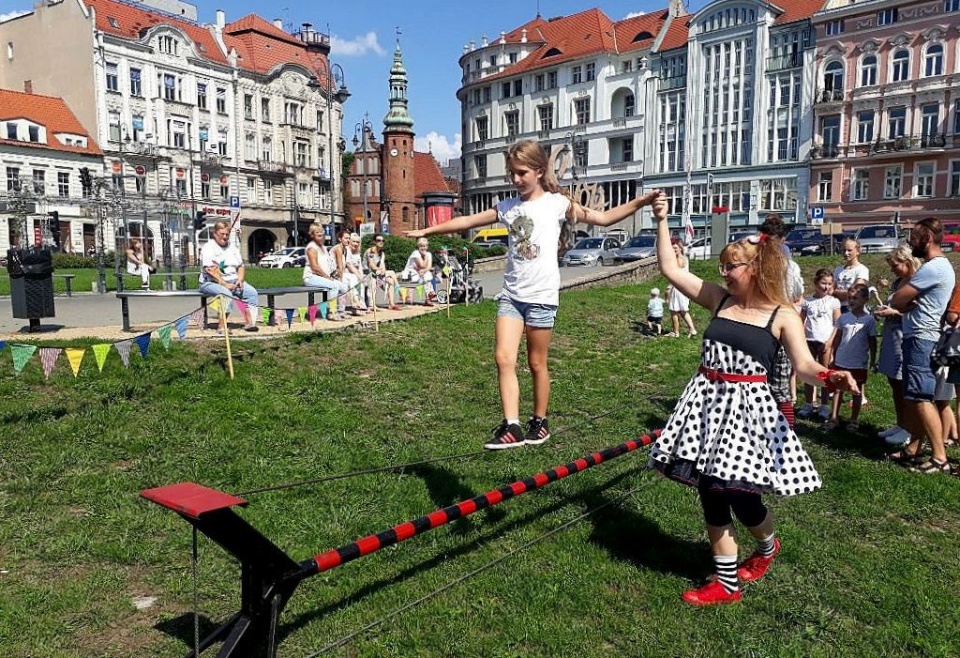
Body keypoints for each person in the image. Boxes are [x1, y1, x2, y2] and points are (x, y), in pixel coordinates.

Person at [648, 194, 858, 607]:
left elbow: (804, 366)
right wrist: (661, 220)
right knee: (710, 488)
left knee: (742, 496)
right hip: (706, 404)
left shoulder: (782, 314)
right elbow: (671, 269)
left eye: (731, 266)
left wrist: (831, 376)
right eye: (722, 266)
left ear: (756, 267)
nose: (723, 272)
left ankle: (766, 547)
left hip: (747, 413)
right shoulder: (720, 300)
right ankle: (727, 582)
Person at [405, 138, 661, 449]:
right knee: (503, 358)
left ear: (539, 171)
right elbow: (467, 220)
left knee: (536, 363)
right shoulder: (508, 208)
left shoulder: (557, 204)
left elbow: (603, 218)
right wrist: (427, 231)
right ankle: (511, 425)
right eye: (512, 173)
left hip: (541, 298)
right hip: (511, 296)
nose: (515, 179)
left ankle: (540, 422)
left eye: (521, 173)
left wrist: (642, 202)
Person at [889, 217, 956, 474]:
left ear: (927, 239)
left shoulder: (933, 268)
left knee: (920, 397)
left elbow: (897, 299)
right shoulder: (938, 267)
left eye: (914, 237)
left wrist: (903, 302)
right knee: (915, 395)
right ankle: (913, 449)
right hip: (920, 336)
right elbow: (902, 302)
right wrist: (905, 303)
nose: (910, 242)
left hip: (921, 337)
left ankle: (940, 457)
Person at [874, 246, 923, 445]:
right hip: (892, 334)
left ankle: (910, 428)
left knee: (904, 383)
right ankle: (900, 423)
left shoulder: (918, 283)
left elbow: (920, 314)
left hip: (906, 334)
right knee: (893, 380)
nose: (892, 269)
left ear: (908, 261)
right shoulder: (898, 282)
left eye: (895, 265)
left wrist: (894, 313)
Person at [759, 213, 804, 426]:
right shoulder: (788, 266)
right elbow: (797, 293)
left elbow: (796, 294)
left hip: (766, 325)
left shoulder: (758, 264)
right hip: (774, 325)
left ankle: (782, 431)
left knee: (768, 382)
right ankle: (779, 429)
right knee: (775, 383)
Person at [824, 284, 876, 431]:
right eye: (850, 298)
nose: (852, 301)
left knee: (856, 391)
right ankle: (833, 417)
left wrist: (872, 359)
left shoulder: (869, 320)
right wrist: (832, 355)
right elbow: (837, 338)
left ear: (865, 300)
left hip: (858, 361)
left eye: (856, 298)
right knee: (837, 390)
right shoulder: (843, 318)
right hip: (842, 359)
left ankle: (854, 419)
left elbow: (872, 342)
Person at [199, 221, 260, 332]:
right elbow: (209, 270)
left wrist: (240, 280)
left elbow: (240, 266)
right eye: (222, 234)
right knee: (226, 294)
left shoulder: (233, 248)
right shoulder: (208, 247)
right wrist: (224, 284)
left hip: (233, 280)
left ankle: (250, 323)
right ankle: (222, 327)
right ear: (215, 234)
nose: (225, 237)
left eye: (227, 234)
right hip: (211, 282)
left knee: (251, 293)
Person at [797, 269, 841, 420]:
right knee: (809, 372)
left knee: (824, 372)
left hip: (825, 341)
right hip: (809, 340)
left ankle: (824, 405)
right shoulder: (807, 302)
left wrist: (830, 342)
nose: (826, 287)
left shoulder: (833, 302)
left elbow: (837, 323)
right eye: (823, 283)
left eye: (829, 284)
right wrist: (800, 338)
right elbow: (800, 320)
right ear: (816, 283)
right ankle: (809, 403)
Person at [303, 223, 347, 321]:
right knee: (334, 286)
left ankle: (341, 311)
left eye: (321, 231)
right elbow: (315, 267)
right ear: (312, 235)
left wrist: (334, 272)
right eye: (316, 232)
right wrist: (327, 277)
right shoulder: (312, 248)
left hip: (322, 276)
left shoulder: (323, 247)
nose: (320, 233)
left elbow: (327, 264)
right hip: (311, 277)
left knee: (344, 287)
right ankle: (332, 312)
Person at [666, 239, 697, 338]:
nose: (673, 250)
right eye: (672, 248)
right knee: (682, 310)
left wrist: (669, 287)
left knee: (674, 310)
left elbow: (675, 275)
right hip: (682, 288)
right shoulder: (683, 258)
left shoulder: (679, 260)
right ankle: (692, 330)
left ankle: (676, 332)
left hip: (679, 288)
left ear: (680, 248)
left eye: (675, 248)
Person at [365, 234, 400, 310]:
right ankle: (372, 305)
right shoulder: (370, 251)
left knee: (390, 281)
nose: (381, 242)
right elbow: (372, 266)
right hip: (368, 274)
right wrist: (381, 270)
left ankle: (391, 304)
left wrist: (383, 271)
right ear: (374, 242)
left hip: (377, 274)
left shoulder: (382, 253)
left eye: (382, 241)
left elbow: (382, 265)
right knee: (391, 273)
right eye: (378, 240)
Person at [400, 238, 436, 306]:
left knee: (427, 275)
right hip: (410, 274)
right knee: (426, 277)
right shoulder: (415, 253)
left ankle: (429, 297)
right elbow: (422, 265)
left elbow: (429, 266)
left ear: (427, 246)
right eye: (421, 246)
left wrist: (424, 271)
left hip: (420, 274)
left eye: (424, 246)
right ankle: (430, 294)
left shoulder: (429, 254)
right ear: (418, 247)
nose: (423, 248)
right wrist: (425, 257)